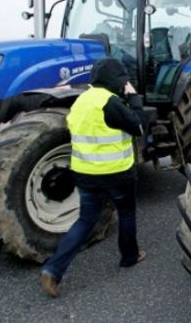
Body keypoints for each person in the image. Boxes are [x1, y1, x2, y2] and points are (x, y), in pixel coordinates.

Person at [39, 57, 147, 298]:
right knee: (127, 212)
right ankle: (130, 257)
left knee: (85, 221)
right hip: (117, 174)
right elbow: (139, 127)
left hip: (86, 174)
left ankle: (53, 269)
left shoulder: (81, 101)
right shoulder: (110, 102)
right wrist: (134, 98)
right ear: (115, 80)